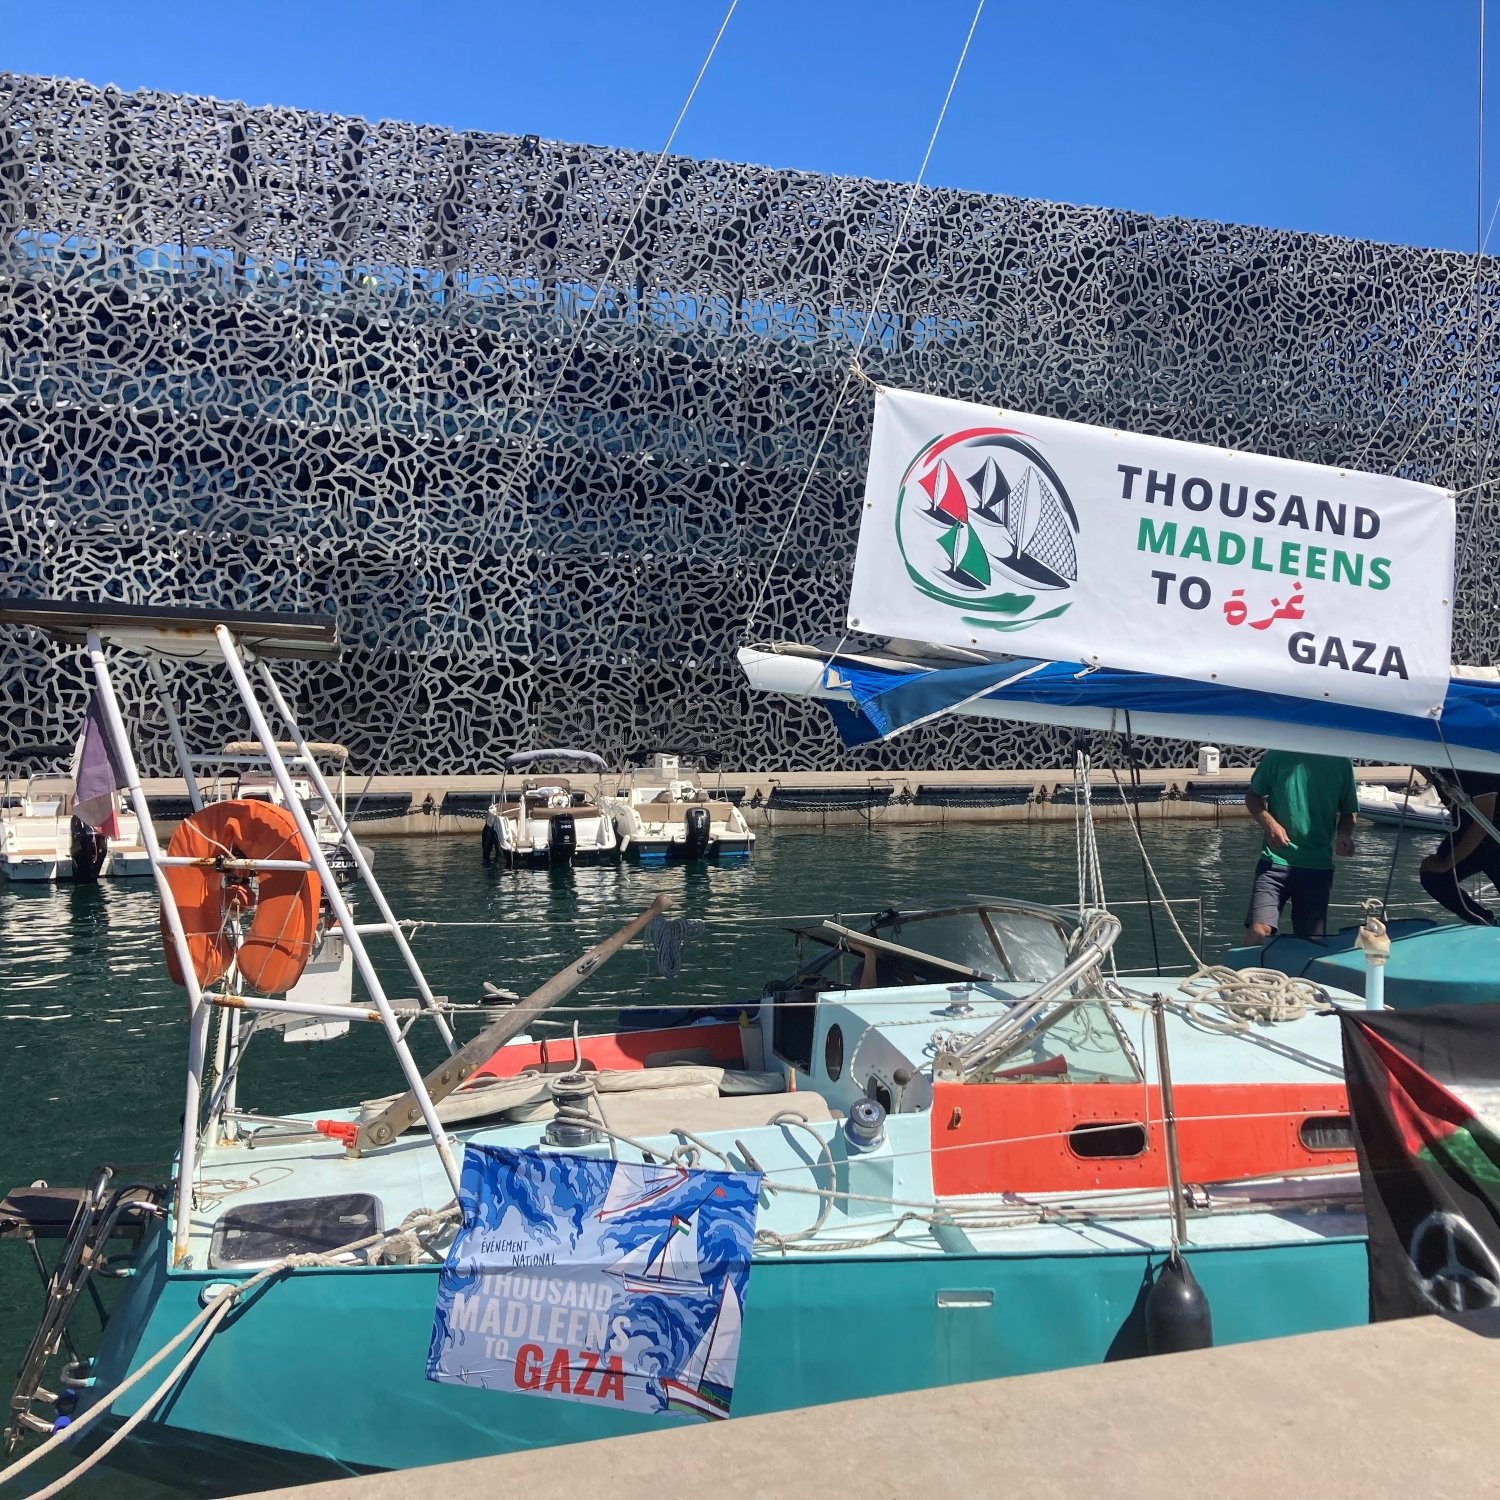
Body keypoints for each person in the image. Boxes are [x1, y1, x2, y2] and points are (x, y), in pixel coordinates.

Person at [1244, 750, 1357, 941]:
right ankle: (1246, 962)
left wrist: (1344, 835)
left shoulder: (1342, 763)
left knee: (1310, 943)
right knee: (1259, 930)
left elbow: (1349, 811)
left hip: (1318, 867)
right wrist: (1269, 824)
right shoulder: (1277, 756)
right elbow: (1252, 796)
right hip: (1274, 861)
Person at [1419, 770, 1500, 925]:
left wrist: (1446, 864)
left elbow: (1483, 823)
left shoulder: (1477, 771)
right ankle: (1484, 921)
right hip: (1467, 835)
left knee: (1437, 873)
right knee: (1433, 877)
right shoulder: (1437, 770)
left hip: (1494, 838)